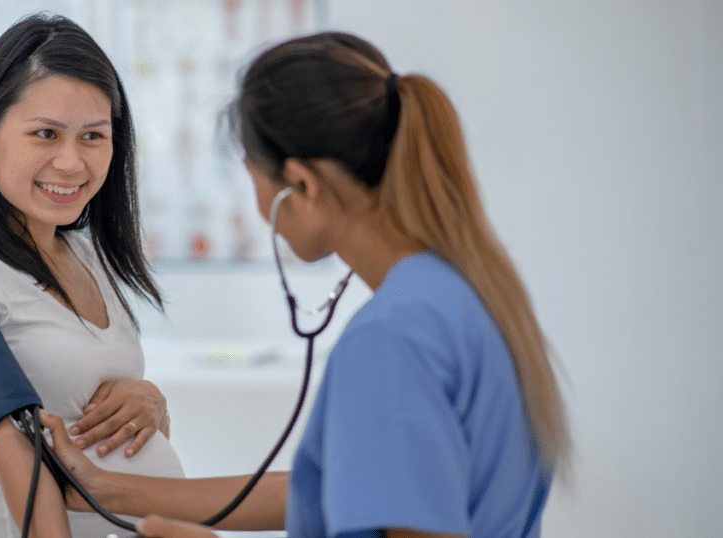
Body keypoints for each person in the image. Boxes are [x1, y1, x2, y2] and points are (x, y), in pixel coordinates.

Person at [35, 30, 572, 538]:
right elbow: (336, 491)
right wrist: (108, 490)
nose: (262, 208)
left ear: (302, 186)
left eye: (255, 180)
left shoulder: (389, 340)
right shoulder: (455, 296)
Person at [0, 14, 185, 538]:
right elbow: (17, 455)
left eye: (93, 136)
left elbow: (92, 420)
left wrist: (153, 407)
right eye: (45, 134)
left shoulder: (89, 256)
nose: (71, 162)